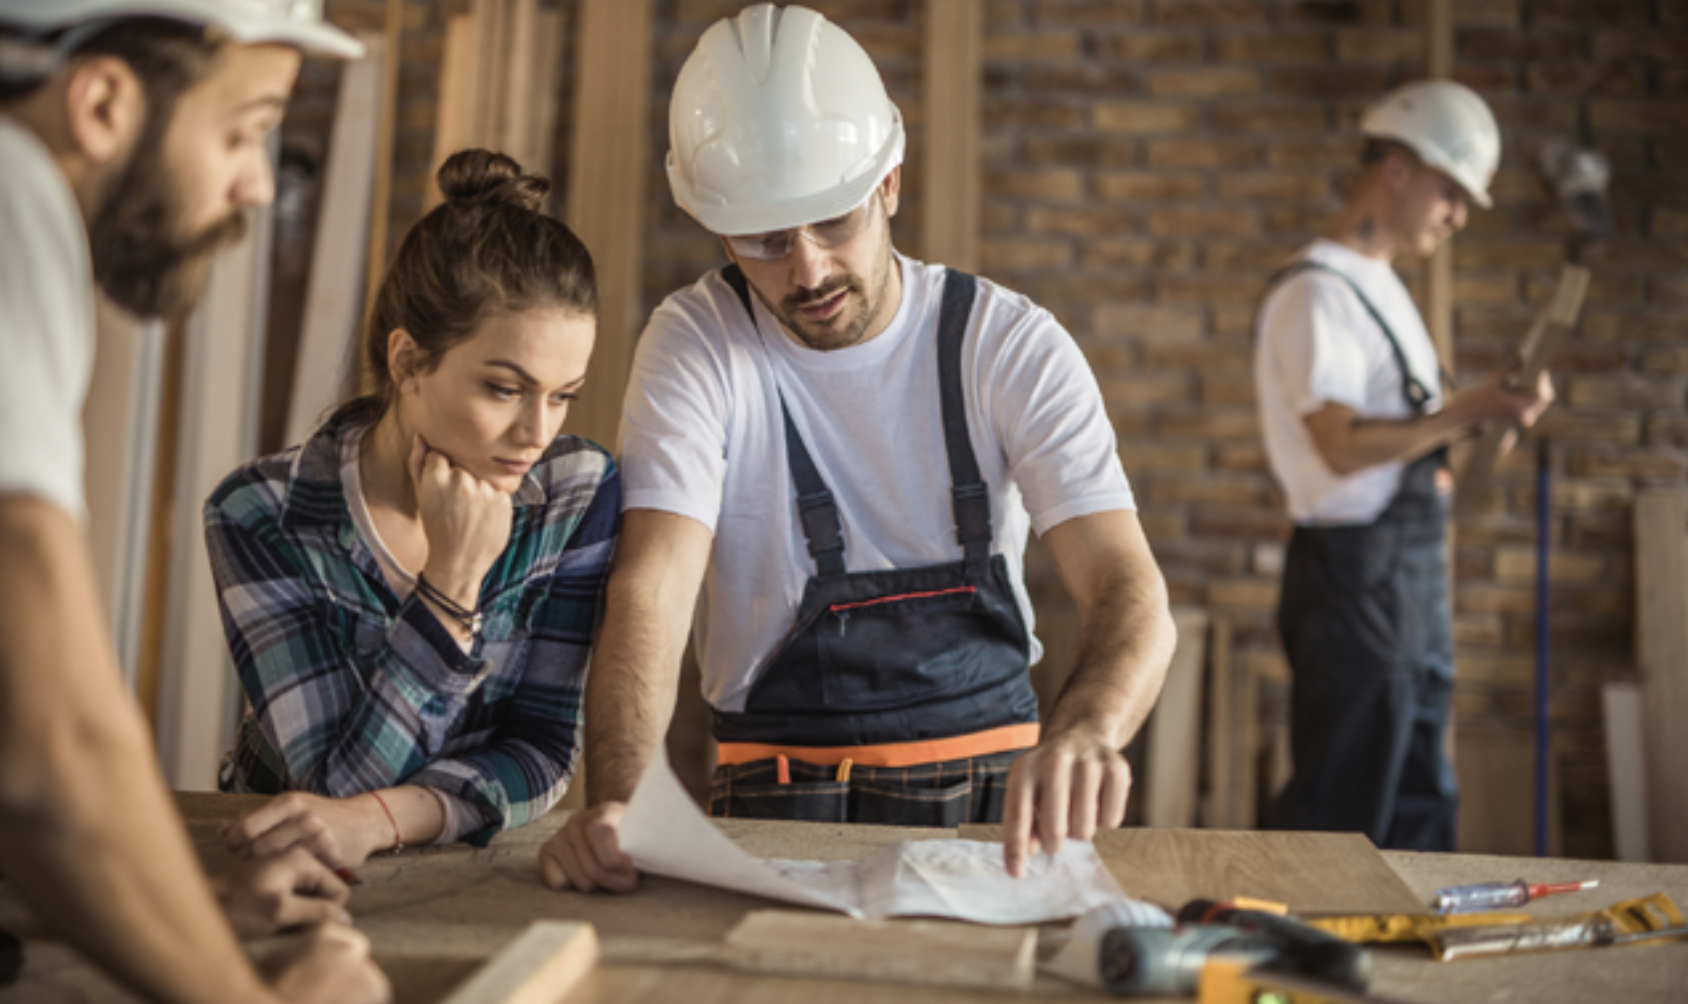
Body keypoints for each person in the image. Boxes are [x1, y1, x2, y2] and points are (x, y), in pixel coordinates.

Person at [540, 2, 1176, 893]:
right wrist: (622, 799)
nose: (806, 270)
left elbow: (1128, 587)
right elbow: (651, 591)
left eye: (833, 222)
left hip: (1003, 819)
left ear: (889, 185)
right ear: (716, 227)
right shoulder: (698, 344)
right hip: (777, 808)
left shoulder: (1005, 345)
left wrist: (1087, 732)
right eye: (763, 238)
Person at [0, 2, 388, 1003]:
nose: (258, 184)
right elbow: (52, 752)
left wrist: (185, 911)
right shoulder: (13, 209)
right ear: (101, 102)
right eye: (245, 128)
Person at [209, 150, 618, 868]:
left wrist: (383, 820)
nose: (536, 433)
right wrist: (453, 587)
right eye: (502, 388)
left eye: (562, 395)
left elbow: (545, 750)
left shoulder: (575, 493)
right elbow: (331, 787)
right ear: (406, 362)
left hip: (471, 872)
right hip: (286, 872)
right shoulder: (261, 514)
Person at [1254, 80, 1555, 851]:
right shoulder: (1319, 292)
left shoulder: (1380, 288)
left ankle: (1412, 966)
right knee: (1342, 813)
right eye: (1451, 191)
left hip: (1407, 585)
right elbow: (1340, 445)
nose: (1457, 215)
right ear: (1398, 167)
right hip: (1356, 583)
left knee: (1420, 805)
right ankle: (1310, 960)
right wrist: (1467, 409)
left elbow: (1426, 451)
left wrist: (1497, 419)